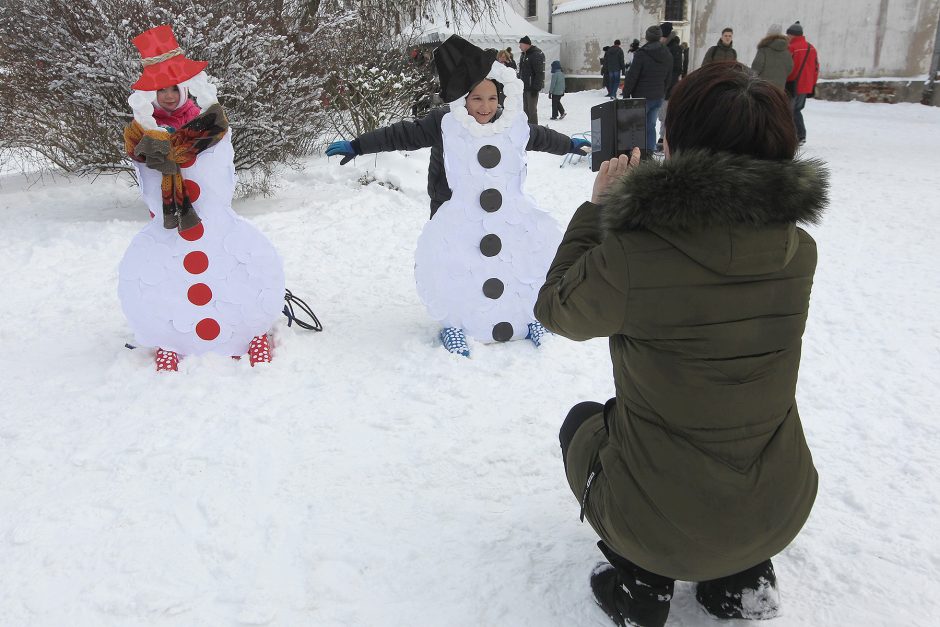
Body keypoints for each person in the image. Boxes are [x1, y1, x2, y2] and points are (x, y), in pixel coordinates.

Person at [535, 61, 828, 627]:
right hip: (780, 508)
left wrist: (601, 211)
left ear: (674, 142)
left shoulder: (630, 257)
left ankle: (642, 580)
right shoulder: (799, 249)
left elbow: (555, 309)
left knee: (582, 424)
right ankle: (740, 577)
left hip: (657, 524)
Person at [324, 46, 590, 221]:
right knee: (452, 260)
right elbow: (399, 134)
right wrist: (358, 145)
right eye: (476, 99)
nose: (485, 107)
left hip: (493, 205)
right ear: (463, 99)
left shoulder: (504, 125)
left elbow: (539, 137)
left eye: (491, 98)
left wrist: (568, 144)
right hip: (449, 206)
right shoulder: (444, 122)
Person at [620, 25, 671, 153]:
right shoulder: (667, 53)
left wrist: (626, 94)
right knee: (651, 125)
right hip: (658, 95)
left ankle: (638, 153)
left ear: (647, 37)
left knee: (637, 126)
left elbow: (633, 76)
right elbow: (669, 76)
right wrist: (663, 91)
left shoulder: (641, 54)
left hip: (642, 96)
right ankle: (649, 151)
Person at [785, 21, 820, 145]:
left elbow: (788, 67)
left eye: (788, 34)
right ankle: (800, 135)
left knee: (789, 111)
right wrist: (812, 83)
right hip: (806, 86)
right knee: (796, 110)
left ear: (793, 35)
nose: (787, 37)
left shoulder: (791, 48)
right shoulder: (812, 48)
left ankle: (797, 136)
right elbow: (816, 68)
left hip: (792, 84)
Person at [658, 22, 683, 148]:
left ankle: (664, 138)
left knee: (666, 115)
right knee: (662, 115)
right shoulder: (664, 47)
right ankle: (663, 137)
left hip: (669, 88)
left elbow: (677, 70)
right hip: (662, 87)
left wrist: (668, 86)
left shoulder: (674, 48)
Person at [752, 24, 794, 92]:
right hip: (779, 89)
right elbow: (790, 68)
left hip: (763, 88)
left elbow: (756, 67)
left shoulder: (763, 50)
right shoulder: (786, 51)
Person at [518, 35, 545, 124]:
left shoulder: (536, 54)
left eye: (521, 44)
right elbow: (522, 70)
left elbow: (539, 72)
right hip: (524, 86)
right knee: (525, 109)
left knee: (531, 110)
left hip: (532, 87)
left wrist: (536, 87)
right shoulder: (524, 55)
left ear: (526, 45)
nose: (519, 47)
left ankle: (534, 128)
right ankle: (526, 127)